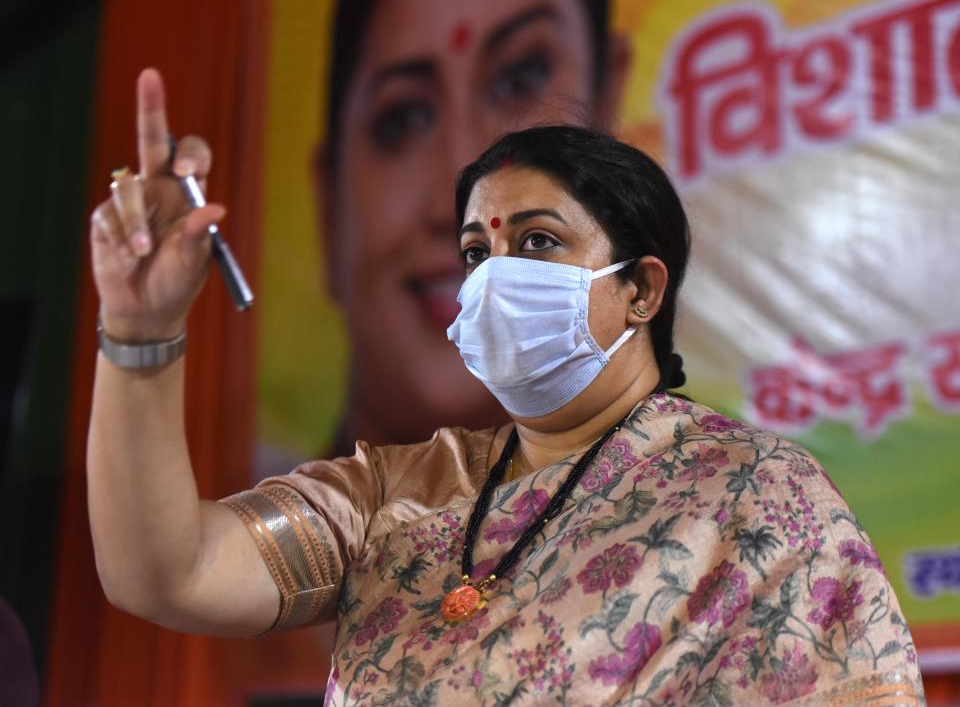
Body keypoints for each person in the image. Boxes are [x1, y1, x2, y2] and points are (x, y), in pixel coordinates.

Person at [89, 73, 924, 704]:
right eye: (478, 254)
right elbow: (169, 573)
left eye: (538, 242)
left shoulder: (751, 493)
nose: (494, 280)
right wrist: (139, 328)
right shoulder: (396, 493)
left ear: (640, 290)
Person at [283, 0, 629, 460]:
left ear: (609, 112)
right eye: (404, 117)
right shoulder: (256, 528)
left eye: (520, 77)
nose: (460, 206)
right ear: (330, 207)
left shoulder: (712, 505)